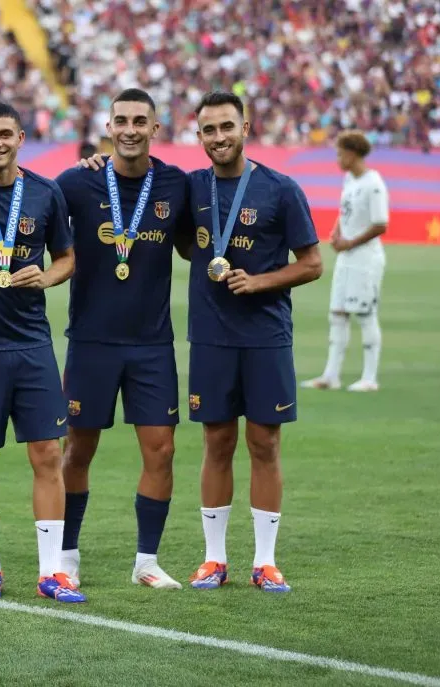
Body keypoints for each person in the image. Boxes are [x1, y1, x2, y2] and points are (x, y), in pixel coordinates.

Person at [0, 101, 83, 603]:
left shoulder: (46, 193)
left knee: (48, 452)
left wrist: (47, 276)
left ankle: (52, 572)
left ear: (22, 137)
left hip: (31, 344)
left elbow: (68, 256)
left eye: (5, 133)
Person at [185, 91, 322, 593]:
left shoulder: (280, 189)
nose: (218, 137)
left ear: (246, 127)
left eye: (226, 126)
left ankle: (264, 561)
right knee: (216, 442)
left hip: (265, 336)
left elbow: (312, 262)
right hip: (211, 336)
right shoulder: (191, 187)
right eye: (208, 130)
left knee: (264, 443)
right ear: (198, 136)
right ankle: (213, 559)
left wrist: (259, 281)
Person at [55, 88, 191, 590]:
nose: (130, 128)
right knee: (77, 451)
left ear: (156, 129)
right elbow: (25, 203)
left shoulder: (178, 184)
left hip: (152, 345)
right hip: (91, 342)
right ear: (108, 128)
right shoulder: (76, 182)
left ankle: (146, 561)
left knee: (161, 451)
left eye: (140, 120)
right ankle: (67, 556)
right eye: (121, 120)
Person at [301, 130, 388, 392]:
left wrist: (350, 242)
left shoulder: (373, 184)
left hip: (365, 259)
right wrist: (338, 231)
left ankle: (369, 378)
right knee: (337, 313)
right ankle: (331, 376)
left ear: (352, 154)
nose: (337, 159)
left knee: (365, 314)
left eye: (340, 153)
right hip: (346, 258)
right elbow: (345, 211)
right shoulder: (350, 179)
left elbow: (380, 224)